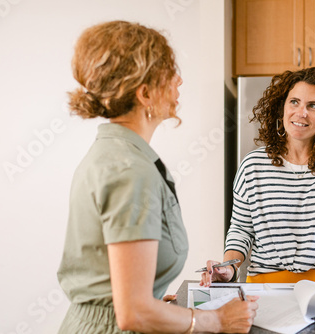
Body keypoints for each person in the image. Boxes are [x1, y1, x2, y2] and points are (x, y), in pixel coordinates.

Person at [57, 20, 258, 333]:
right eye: (169, 72)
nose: (179, 80)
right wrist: (217, 320)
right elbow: (133, 312)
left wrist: (159, 307)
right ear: (145, 92)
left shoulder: (118, 154)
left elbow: (123, 293)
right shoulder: (130, 172)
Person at [201, 67, 315, 297]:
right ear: (281, 107)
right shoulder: (253, 165)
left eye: (313, 105)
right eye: (294, 102)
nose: (301, 113)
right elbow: (241, 230)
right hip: (262, 289)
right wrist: (229, 267)